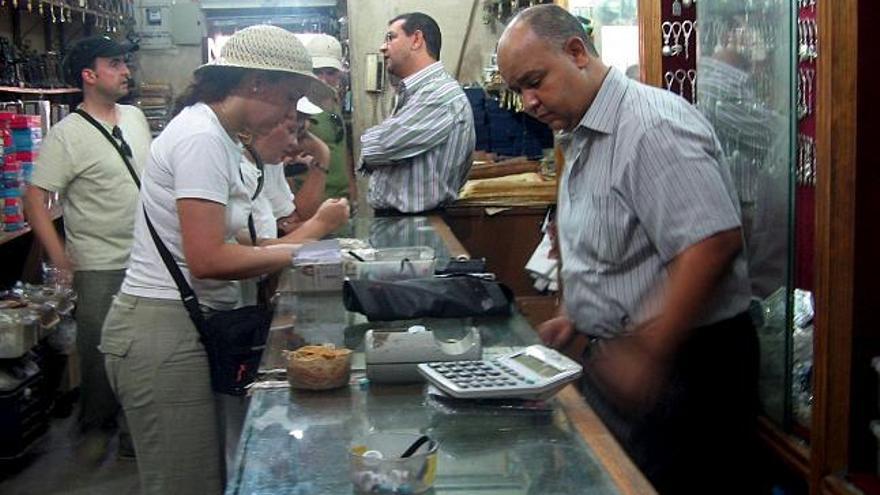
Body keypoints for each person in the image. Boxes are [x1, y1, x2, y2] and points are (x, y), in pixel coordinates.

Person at [497, 5, 758, 494]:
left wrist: (649, 351)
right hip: (622, 362)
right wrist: (576, 317)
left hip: (685, 370)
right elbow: (608, 248)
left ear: (576, 52)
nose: (529, 102)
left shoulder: (650, 126)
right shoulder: (581, 134)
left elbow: (712, 243)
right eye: (518, 90)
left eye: (535, 81)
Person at [98, 25, 339, 494]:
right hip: (161, 329)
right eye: (289, 97)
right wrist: (302, 249)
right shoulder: (201, 137)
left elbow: (241, 243)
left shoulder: (223, 139)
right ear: (254, 83)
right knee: (186, 483)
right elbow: (207, 258)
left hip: (187, 322)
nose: (291, 114)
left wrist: (313, 249)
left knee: (207, 475)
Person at [23, 35, 151, 461]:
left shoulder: (134, 117)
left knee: (144, 349)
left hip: (148, 259)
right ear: (89, 75)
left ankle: (136, 429)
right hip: (99, 263)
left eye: (124, 63)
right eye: (114, 64)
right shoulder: (67, 135)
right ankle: (96, 426)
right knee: (100, 351)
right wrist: (59, 255)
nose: (125, 71)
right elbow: (34, 198)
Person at [359, 12, 475, 215]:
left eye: (391, 37)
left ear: (416, 40)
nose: (382, 47)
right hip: (401, 222)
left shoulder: (439, 95)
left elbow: (380, 146)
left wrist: (370, 143)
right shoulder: (414, 93)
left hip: (417, 223)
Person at [300, 33, 357, 205]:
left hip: (341, 197)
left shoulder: (334, 100)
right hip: (312, 201)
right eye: (317, 72)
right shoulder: (297, 107)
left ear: (339, 74)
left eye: (330, 73)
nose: (323, 79)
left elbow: (342, 146)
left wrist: (352, 188)